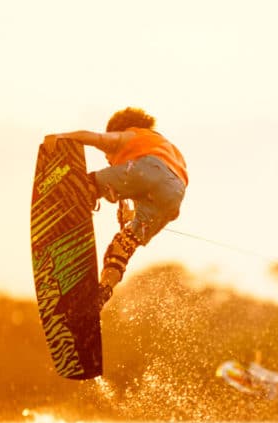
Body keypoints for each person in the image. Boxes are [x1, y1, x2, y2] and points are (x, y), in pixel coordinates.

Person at [43, 107, 188, 308]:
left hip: (149, 170)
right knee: (124, 245)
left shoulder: (130, 135)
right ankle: (102, 291)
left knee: (87, 185)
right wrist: (134, 213)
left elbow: (94, 138)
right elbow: (156, 185)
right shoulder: (163, 145)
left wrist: (61, 137)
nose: (107, 159)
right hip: (174, 195)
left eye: (107, 155)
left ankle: (66, 213)